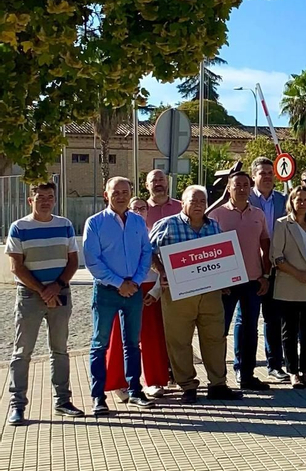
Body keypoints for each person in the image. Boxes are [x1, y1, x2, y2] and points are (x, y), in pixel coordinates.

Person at [146, 184, 242, 403]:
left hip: (210, 294)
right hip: (178, 294)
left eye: (202, 201)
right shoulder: (167, 226)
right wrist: (161, 271)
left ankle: (218, 384)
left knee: (215, 339)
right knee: (179, 341)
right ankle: (188, 386)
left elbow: (221, 260)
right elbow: (148, 252)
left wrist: (225, 279)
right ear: (183, 202)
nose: (198, 205)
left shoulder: (214, 227)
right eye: (193, 201)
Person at [7, 181, 83, 424]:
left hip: (60, 294)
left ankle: (63, 401)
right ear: (31, 201)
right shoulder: (19, 228)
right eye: (40, 197)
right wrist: (42, 290)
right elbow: (16, 267)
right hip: (30, 296)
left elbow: (72, 261)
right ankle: (17, 405)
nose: (45, 201)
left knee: (59, 350)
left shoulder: (65, 225)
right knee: (22, 352)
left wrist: (56, 287)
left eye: (49, 196)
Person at [105, 170, 179, 401]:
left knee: (153, 336)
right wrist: (122, 285)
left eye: (142, 209)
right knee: (120, 337)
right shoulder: (108, 226)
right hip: (121, 288)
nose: (139, 211)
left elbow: (155, 262)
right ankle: (118, 382)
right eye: (135, 208)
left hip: (149, 289)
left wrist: (155, 290)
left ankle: (155, 380)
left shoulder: (150, 231)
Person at [83, 176, 154, 416]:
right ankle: (98, 397)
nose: (121, 196)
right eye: (116, 192)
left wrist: (134, 281)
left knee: (133, 343)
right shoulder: (94, 223)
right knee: (99, 344)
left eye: (126, 191)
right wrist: (118, 283)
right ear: (106, 194)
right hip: (106, 291)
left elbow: (147, 252)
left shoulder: (137, 222)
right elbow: (92, 260)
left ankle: (135, 391)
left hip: (133, 290)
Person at [211, 170, 273, 392]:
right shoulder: (217, 215)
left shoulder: (258, 214)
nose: (242, 188)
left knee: (249, 329)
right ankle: (218, 378)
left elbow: (265, 246)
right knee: (220, 330)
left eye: (246, 184)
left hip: (253, 280)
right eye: (237, 184)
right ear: (229, 187)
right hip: (225, 283)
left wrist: (265, 276)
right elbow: (210, 250)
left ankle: (246, 374)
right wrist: (218, 281)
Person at [271, 186, 306, 388]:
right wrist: (297, 273)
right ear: (292, 202)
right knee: (290, 330)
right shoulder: (282, 225)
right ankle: (292, 371)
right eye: (298, 199)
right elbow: (276, 256)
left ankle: (305, 370)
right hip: (291, 280)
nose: (302, 203)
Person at [247, 158, 289, 380]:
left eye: (270, 173)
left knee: (274, 318)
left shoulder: (283, 200)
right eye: (262, 173)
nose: (267, 176)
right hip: (250, 266)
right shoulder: (245, 197)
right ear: (254, 176)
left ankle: (275, 365)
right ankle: (244, 367)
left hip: (277, 266)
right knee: (247, 320)